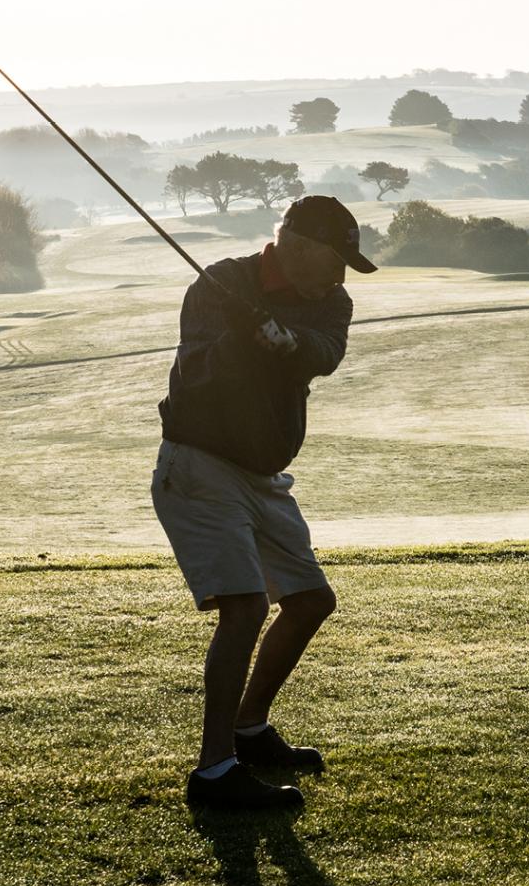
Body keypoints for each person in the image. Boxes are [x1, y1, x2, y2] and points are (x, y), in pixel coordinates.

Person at [151, 195, 375, 810]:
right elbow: (198, 375)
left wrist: (283, 337)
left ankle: (249, 730)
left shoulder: (331, 301)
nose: (342, 274)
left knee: (309, 602)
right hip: (198, 463)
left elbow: (323, 355)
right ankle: (215, 772)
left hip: (263, 474)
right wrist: (244, 335)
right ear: (299, 247)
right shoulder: (220, 284)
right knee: (245, 609)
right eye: (336, 259)